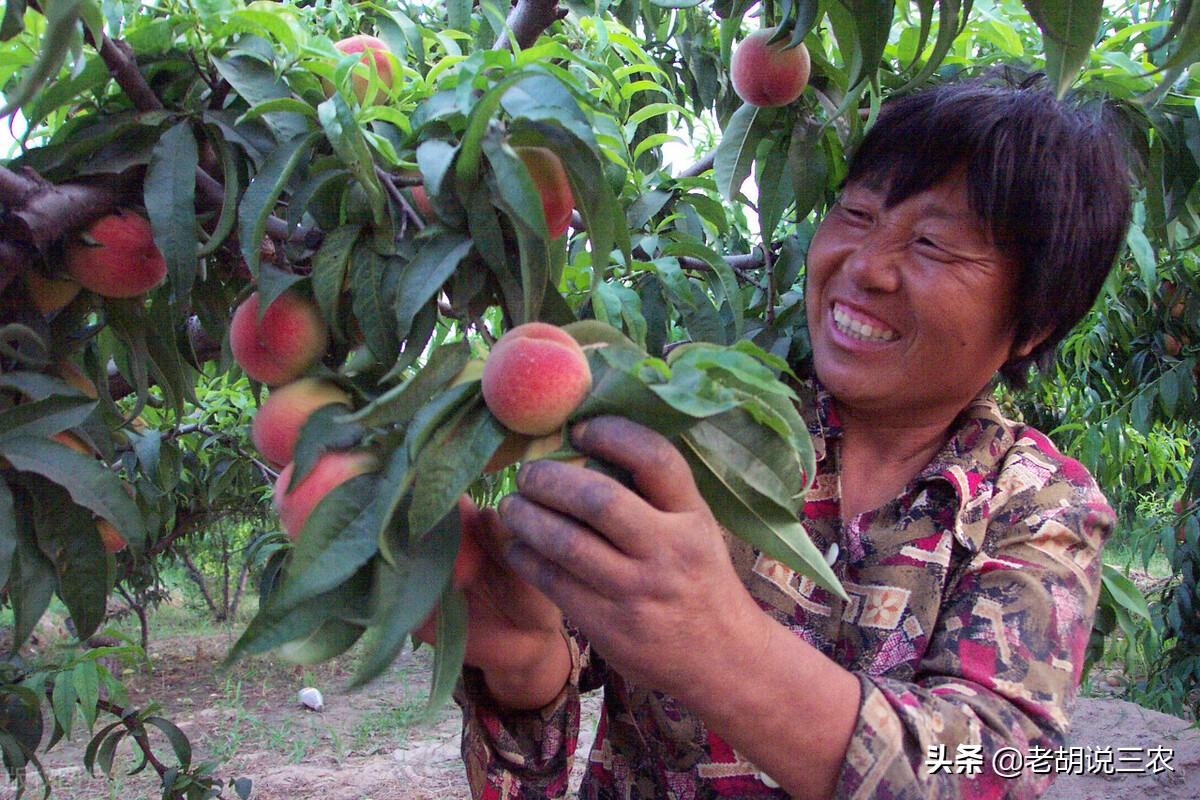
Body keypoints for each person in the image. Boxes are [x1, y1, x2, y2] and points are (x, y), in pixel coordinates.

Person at [448, 76, 1133, 799]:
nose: (863, 266)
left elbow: (988, 769)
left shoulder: (1036, 507)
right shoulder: (714, 422)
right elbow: (573, 644)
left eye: (933, 243)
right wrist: (523, 660)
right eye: (858, 213)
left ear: (1034, 321)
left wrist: (716, 643)